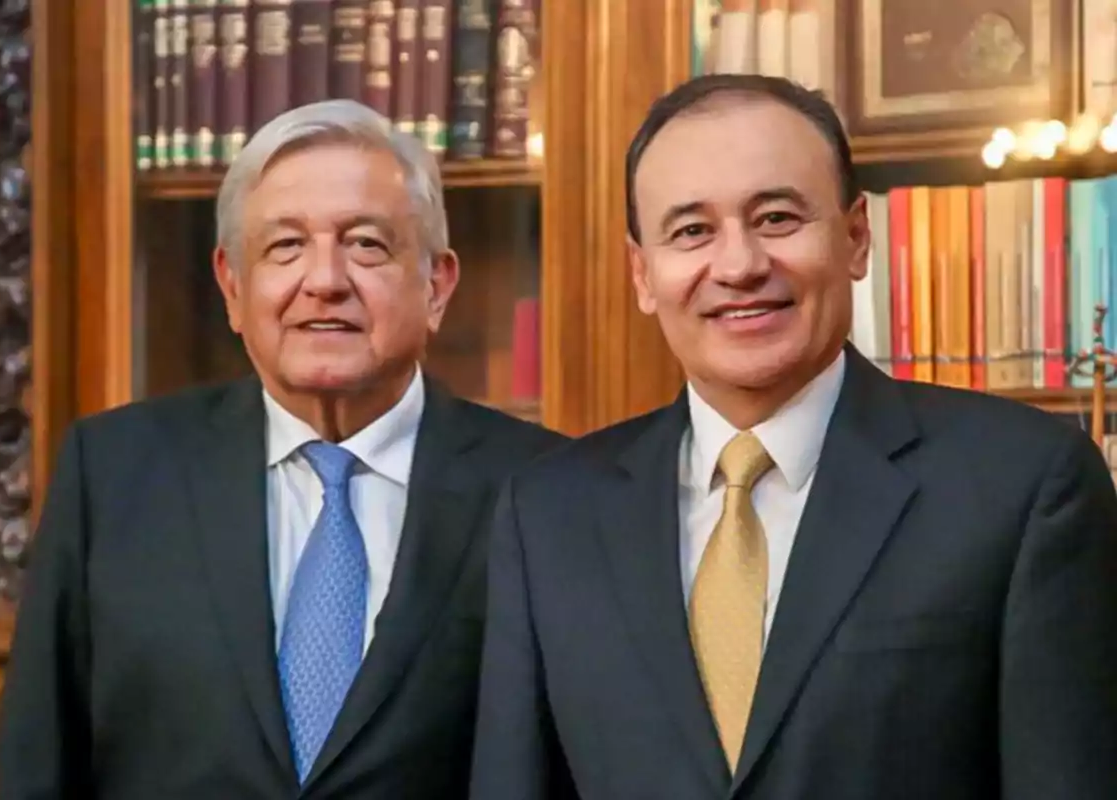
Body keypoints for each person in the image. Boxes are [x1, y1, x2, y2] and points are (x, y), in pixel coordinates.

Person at [470, 73, 1117, 800]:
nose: (740, 265)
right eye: (691, 232)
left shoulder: (1023, 485)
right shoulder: (549, 512)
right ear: (643, 273)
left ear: (856, 239)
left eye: (777, 218)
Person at [0, 99, 566, 799]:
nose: (324, 280)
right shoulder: (112, 474)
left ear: (437, 285)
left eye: (367, 244)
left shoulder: (545, 488)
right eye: (285, 246)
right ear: (233, 287)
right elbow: (37, 765)